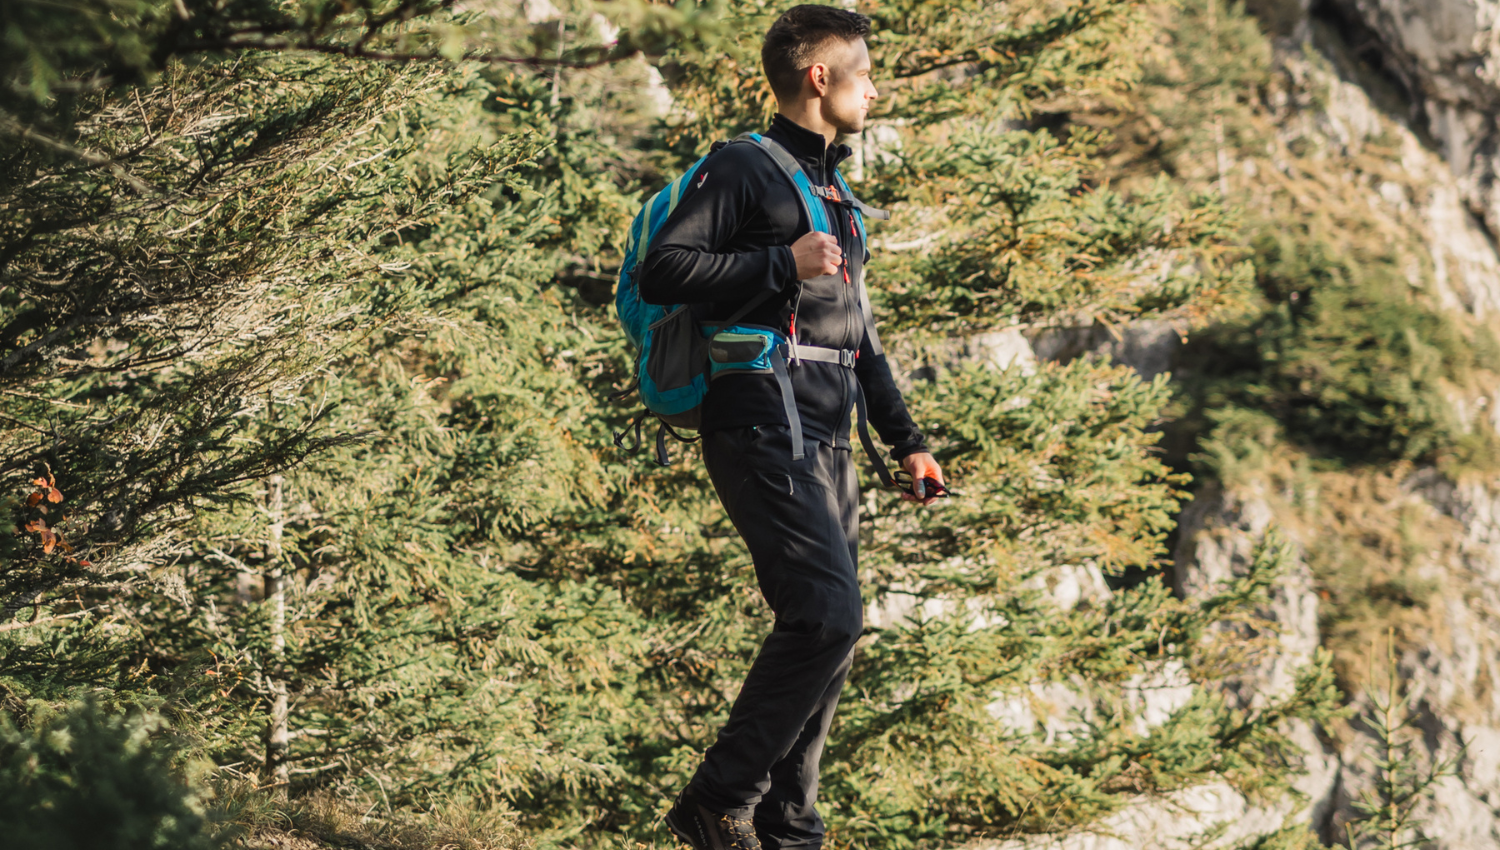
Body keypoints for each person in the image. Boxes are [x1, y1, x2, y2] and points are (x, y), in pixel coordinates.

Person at [638, 6, 945, 850]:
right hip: (758, 420)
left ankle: (787, 834)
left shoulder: (836, 193)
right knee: (825, 616)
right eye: (866, 73)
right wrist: (784, 261)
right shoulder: (744, 165)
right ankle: (715, 799)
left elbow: (858, 334)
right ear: (822, 78)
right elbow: (667, 267)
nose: (875, 89)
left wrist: (906, 437)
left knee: (831, 642)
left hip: (832, 437)